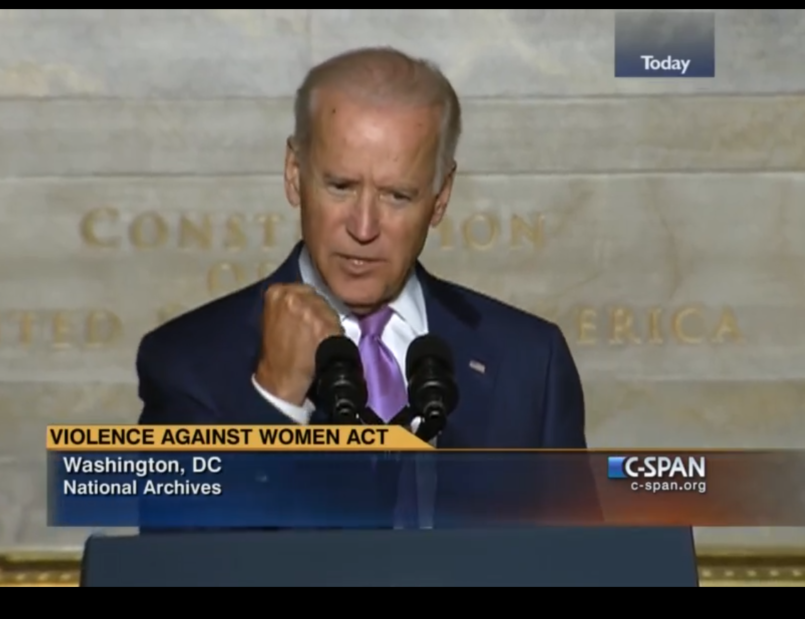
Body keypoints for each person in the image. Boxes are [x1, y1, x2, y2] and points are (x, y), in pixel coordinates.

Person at [136, 47, 591, 527]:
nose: (364, 226)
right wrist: (276, 400)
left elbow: (580, 568)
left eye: (398, 196)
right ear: (295, 174)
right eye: (341, 187)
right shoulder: (186, 363)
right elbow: (184, 567)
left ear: (440, 199)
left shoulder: (529, 362)